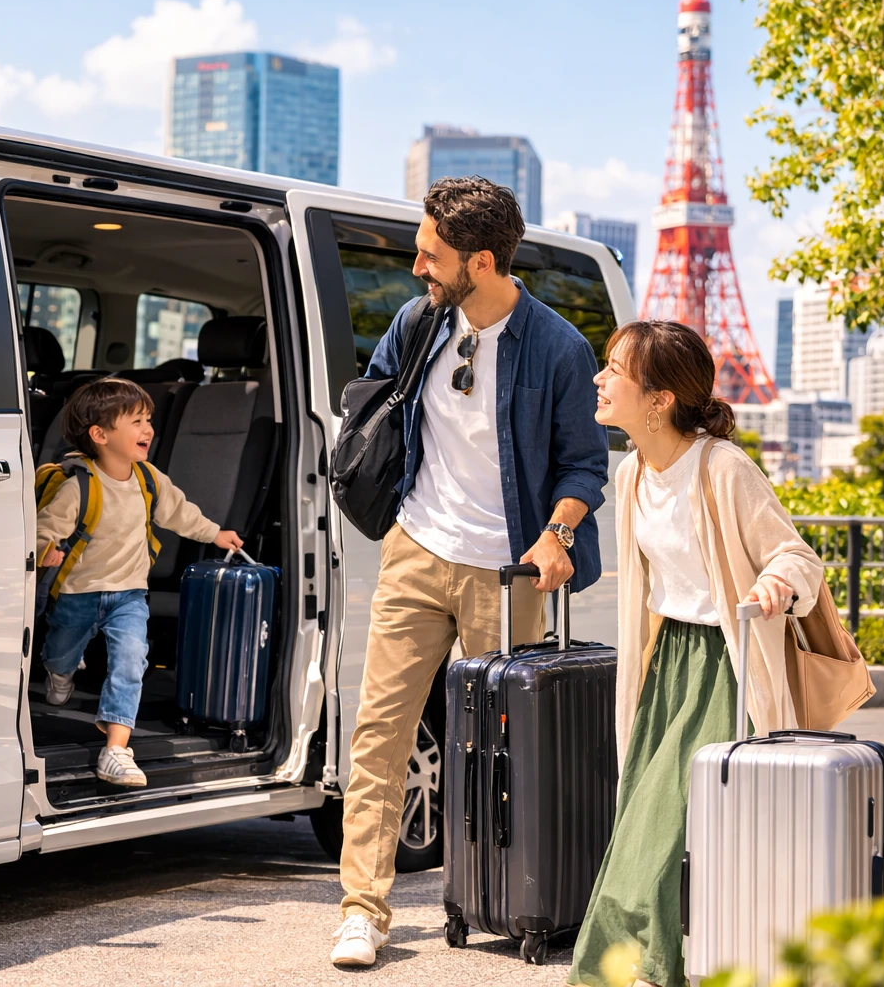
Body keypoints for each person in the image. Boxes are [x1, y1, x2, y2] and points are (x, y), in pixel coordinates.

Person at [330, 176, 610, 968]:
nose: (417, 266)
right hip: (416, 550)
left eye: (431, 254)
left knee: (502, 748)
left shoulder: (557, 347)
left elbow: (585, 467)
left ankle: (507, 894)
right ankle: (363, 910)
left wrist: (556, 534)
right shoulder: (419, 322)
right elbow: (375, 406)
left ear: (480, 261)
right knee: (379, 734)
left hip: (507, 571)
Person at [567, 321, 824, 987]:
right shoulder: (629, 477)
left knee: (684, 833)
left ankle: (670, 968)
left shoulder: (721, 467)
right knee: (639, 832)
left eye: (614, 370)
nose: (600, 379)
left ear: (659, 400)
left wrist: (774, 584)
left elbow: (796, 556)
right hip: (665, 668)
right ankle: (628, 971)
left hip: (724, 666)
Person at [36, 378, 243, 789]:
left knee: (131, 662)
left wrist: (215, 534)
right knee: (61, 654)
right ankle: (58, 673)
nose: (148, 429)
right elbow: (46, 528)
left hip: (129, 593)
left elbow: (181, 514)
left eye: (148, 420)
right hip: (79, 592)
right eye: (135, 421)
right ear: (100, 435)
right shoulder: (80, 485)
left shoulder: (149, 480)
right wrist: (46, 550)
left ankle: (116, 749)